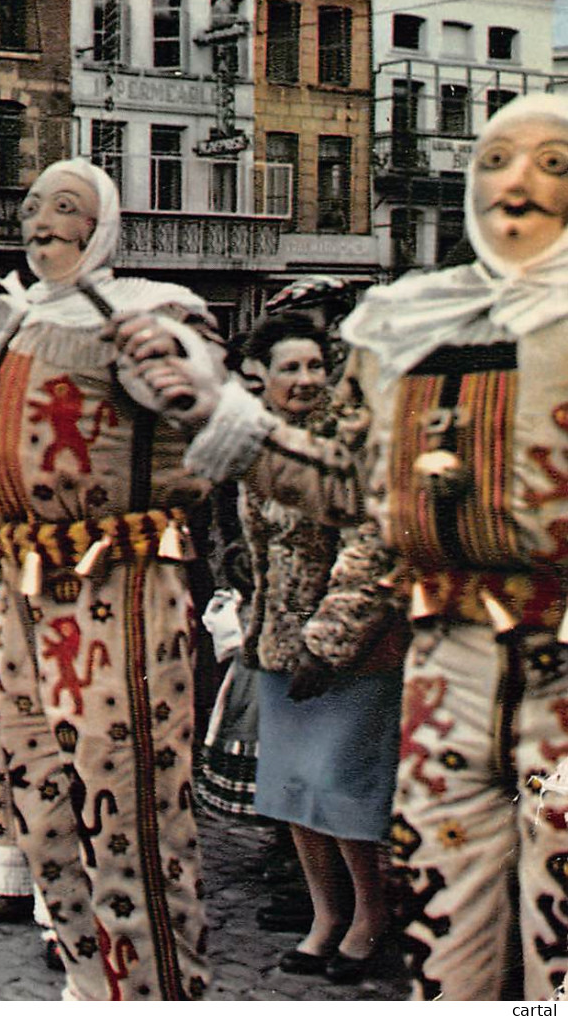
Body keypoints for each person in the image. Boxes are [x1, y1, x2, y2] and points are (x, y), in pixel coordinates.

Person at [121, 92, 568, 1000]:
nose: (516, 187)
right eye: (495, 166)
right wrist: (211, 417)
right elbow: (352, 491)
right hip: (441, 656)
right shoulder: (415, 344)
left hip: (536, 646)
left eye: (548, 166)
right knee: (444, 882)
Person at [0, 158, 217, 1000]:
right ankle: (90, 983)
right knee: (39, 799)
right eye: (33, 207)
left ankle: (153, 990)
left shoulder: (139, 309)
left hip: (115, 583)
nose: (40, 220)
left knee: (122, 809)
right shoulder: (18, 321)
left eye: (65, 208)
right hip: (20, 584)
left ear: (101, 229)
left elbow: (202, 434)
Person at [214, 313, 404, 985]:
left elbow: (372, 545)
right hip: (278, 646)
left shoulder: (345, 443)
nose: (303, 380)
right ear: (259, 375)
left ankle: (369, 915)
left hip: (349, 650)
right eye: (288, 368)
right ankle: (326, 916)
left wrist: (326, 641)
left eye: (313, 367)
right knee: (292, 791)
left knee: (342, 789)